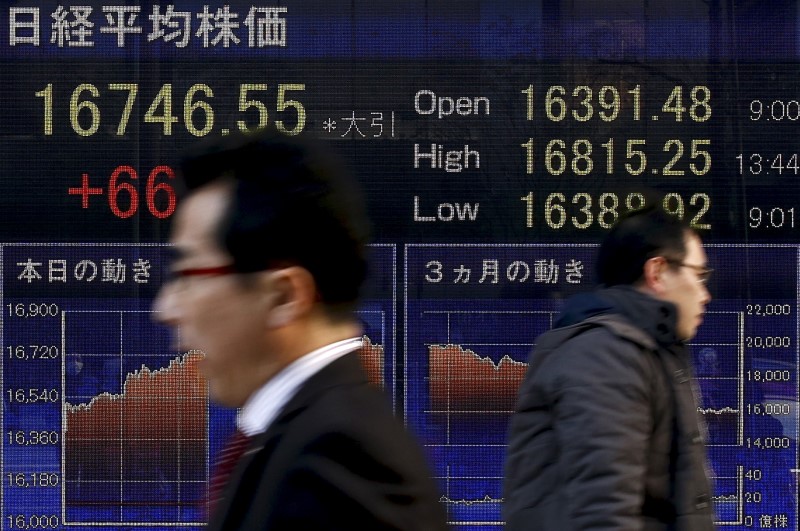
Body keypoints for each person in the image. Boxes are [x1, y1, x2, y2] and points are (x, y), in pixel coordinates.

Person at [153, 130, 448, 530]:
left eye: (187, 274)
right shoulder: (291, 438)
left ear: (284, 296)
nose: (166, 309)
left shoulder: (342, 457)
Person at [503, 205, 716, 530]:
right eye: (698, 274)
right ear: (657, 271)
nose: (705, 295)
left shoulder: (646, 351)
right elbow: (603, 510)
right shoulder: (605, 355)